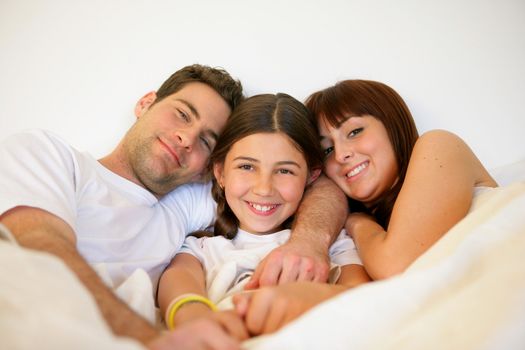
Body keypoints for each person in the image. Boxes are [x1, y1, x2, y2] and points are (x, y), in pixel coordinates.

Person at [0, 64, 348, 349]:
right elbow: (41, 250)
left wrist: (309, 242)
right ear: (146, 103)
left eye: (206, 140)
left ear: (208, 168)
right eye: (182, 114)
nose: (186, 138)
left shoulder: (187, 204)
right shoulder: (49, 155)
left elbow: (319, 186)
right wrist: (151, 340)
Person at [232, 79, 498, 336]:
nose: (341, 154)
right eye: (327, 150)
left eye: (355, 131)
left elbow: (395, 265)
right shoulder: (360, 242)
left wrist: (357, 221)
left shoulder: (438, 145)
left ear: (393, 124)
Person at [156, 93, 371, 340]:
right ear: (220, 173)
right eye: (247, 167)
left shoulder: (331, 243)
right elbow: (178, 279)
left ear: (311, 176)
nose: (264, 188)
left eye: (284, 170)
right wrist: (195, 315)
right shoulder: (202, 248)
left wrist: (311, 297)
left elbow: (363, 295)